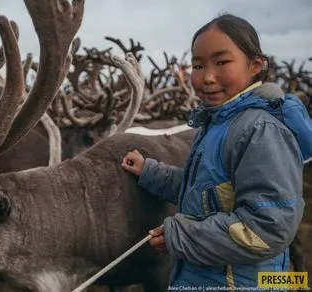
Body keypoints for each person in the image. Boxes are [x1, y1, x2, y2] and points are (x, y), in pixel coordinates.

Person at [122, 13, 309, 290]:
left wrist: (182, 236)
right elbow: (205, 193)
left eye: (222, 62)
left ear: (256, 64)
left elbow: (269, 228)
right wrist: (149, 171)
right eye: (198, 65)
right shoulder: (217, 124)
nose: (207, 77)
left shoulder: (258, 131)